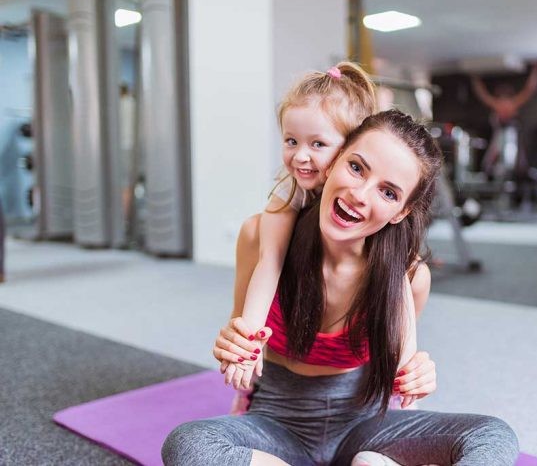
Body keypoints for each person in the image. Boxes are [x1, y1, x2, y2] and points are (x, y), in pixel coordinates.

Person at [162, 110, 519, 465]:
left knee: (492, 436)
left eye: (388, 192)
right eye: (357, 167)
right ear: (332, 163)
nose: (360, 194)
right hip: (275, 425)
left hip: (366, 427)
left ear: (401, 212)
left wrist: (415, 374)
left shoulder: (410, 277)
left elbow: (398, 367)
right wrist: (233, 344)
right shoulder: (260, 237)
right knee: (188, 444)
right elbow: (241, 337)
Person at [221, 62, 378, 389]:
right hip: (294, 302)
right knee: (256, 229)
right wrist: (248, 343)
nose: (300, 157)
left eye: (317, 144)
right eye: (291, 141)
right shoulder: (289, 191)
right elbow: (270, 262)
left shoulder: (364, 199)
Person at [471, 64, 537, 179]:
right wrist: (475, 78)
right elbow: (482, 94)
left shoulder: (513, 103)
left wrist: (536, 70)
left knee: (515, 161)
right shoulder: (498, 104)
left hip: (511, 140)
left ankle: (512, 177)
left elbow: (530, 89)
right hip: (498, 140)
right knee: (491, 162)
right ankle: (493, 177)